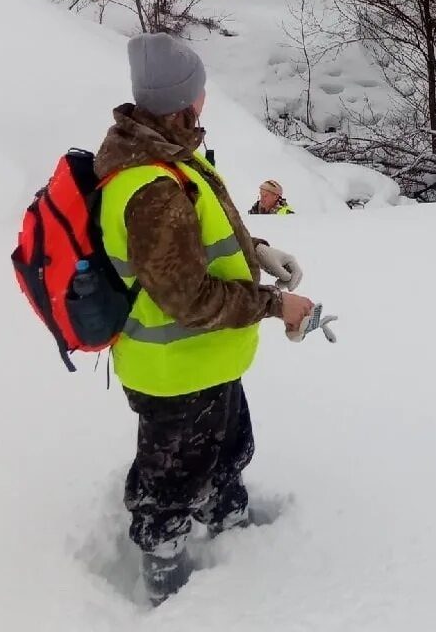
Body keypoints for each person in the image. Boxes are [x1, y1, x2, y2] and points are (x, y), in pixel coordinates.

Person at [93, 32, 315, 605]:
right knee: (169, 487)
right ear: (184, 100)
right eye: (200, 92)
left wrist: (257, 249)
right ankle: (168, 590)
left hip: (208, 360)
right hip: (174, 372)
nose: (205, 101)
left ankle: (233, 531)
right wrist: (271, 303)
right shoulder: (151, 187)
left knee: (225, 453)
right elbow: (186, 298)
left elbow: (200, 240)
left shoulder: (168, 155)